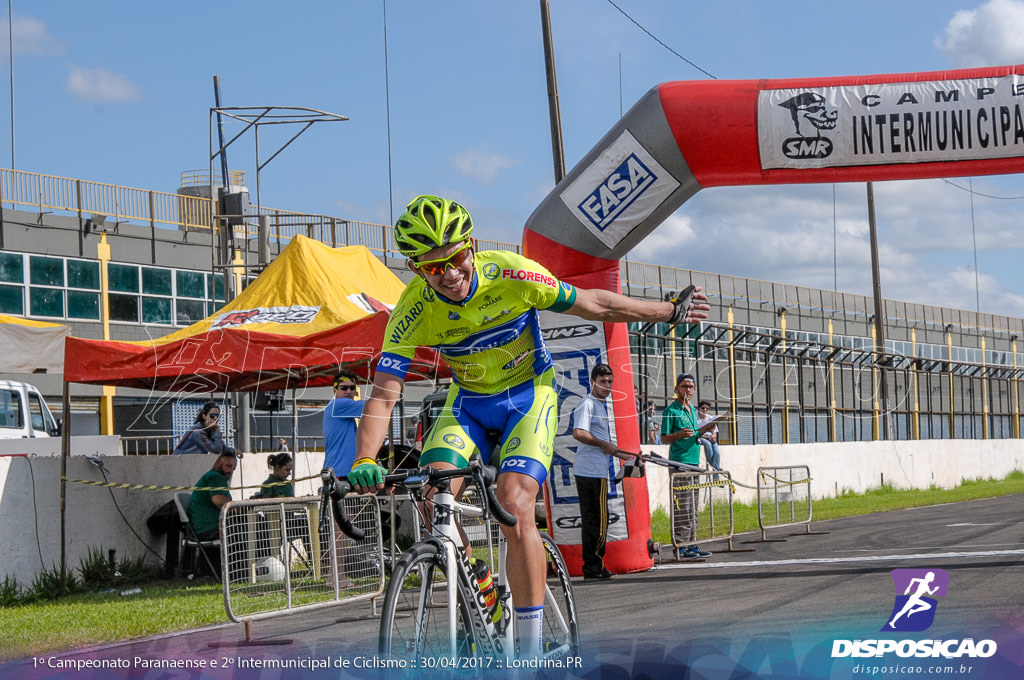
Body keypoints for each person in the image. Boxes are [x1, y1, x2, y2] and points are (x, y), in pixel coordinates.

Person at [348, 195, 709, 656]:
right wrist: (364, 458)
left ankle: (530, 650)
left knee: (515, 504)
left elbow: (593, 303)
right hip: (469, 404)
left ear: (471, 246)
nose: (450, 273)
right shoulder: (413, 311)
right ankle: (479, 585)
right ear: (418, 269)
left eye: (456, 257)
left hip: (528, 397)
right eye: (434, 267)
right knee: (432, 491)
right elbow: (383, 393)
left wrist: (668, 311)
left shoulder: (511, 273)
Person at [571, 363, 637, 581]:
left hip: (595, 470)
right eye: (602, 382)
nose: (607, 386)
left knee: (595, 520)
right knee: (598, 521)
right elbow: (579, 433)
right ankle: (593, 565)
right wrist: (602, 444)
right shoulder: (587, 404)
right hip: (590, 471)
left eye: (610, 382)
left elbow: (606, 445)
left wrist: (626, 456)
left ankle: (594, 565)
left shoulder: (600, 406)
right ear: (592, 382)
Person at [660, 374, 717, 560]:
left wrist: (705, 430)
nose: (688, 390)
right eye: (684, 386)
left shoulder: (693, 411)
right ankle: (681, 546)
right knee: (682, 507)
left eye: (691, 387)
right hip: (679, 463)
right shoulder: (671, 410)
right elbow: (664, 437)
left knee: (693, 507)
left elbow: (694, 433)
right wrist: (678, 435)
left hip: (694, 462)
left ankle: (692, 544)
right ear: (677, 388)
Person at [321, 370, 365, 590]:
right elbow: (375, 406)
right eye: (344, 388)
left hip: (343, 474)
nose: (349, 392)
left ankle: (336, 576)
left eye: (352, 388)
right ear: (335, 390)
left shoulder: (342, 410)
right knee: (339, 532)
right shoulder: (339, 407)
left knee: (341, 531)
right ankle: (335, 577)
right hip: (338, 475)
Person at [187, 452, 237, 541]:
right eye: (228, 466)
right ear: (218, 464)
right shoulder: (215, 476)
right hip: (207, 529)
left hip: (203, 528)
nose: (231, 471)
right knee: (247, 528)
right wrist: (238, 508)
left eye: (233, 468)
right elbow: (218, 500)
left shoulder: (216, 478)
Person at [172, 401, 245, 457]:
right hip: (179, 463)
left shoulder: (210, 430)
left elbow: (221, 448)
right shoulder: (197, 432)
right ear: (204, 416)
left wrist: (233, 451)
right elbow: (216, 451)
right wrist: (217, 430)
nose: (215, 418)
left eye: (217, 416)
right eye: (212, 415)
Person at [696, 400, 722, 473]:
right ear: (699, 409)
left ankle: (715, 472)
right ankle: (713, 466)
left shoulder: (710, 418)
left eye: (707, 408)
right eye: (703, 408)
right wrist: (708, 437)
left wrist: (713, 437)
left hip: (710, 438)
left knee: (717, 453)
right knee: (708, 445)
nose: (705, 410)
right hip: (701, 437)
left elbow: (715, 431)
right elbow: (697, 433)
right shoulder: (695, 418)